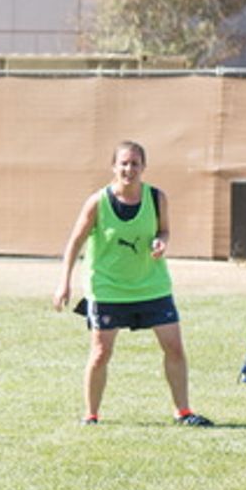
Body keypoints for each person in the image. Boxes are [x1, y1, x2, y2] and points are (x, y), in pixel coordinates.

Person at [52, 140, 213, 427]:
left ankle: (183, 412)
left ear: (144, 167)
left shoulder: (156, 198)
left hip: (152, 286)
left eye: (135, 163)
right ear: (114, 167)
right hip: (108, 288)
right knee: (100, 353)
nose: (129, 169)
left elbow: (164, 230)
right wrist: (63, 283)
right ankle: (91, 415)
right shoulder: (98, 202)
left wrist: (161, 241)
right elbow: (75, 242)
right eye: (124, 163)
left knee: (174, 347)